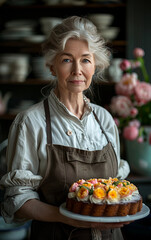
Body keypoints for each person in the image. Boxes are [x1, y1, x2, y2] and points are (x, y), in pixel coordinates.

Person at [0, 16, 130, 240]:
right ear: (52, 66)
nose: (77, 70)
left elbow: (116, 185)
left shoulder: (105, 119)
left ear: (95, 65)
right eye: (67, 60)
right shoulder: (30, 122)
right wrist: (66, 217)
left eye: (86, 60)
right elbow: (18, 200)